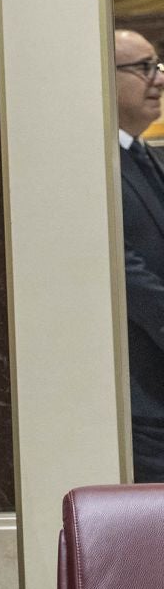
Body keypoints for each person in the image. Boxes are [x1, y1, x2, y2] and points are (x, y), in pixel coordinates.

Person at [113, 28, 164, 481]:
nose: (159, 79)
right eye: (143, 68)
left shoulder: (146, 157)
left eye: (158, 65)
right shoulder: (96, 163)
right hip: (142, 395)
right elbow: (123, 268)